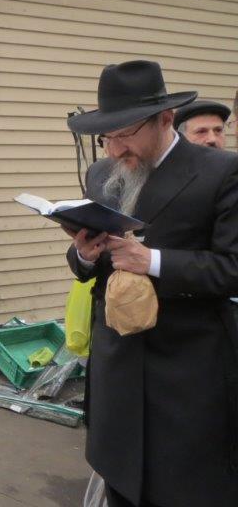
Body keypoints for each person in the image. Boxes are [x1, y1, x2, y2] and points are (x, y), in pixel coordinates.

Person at [65, 60, 238, 506]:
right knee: (120, 481)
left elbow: (232, 268)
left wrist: (153, 260)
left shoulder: (220, 172)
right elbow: (91, 264)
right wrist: (84, 255)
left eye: (127, 134)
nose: (117, 148)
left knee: (181, 489)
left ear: (165, 119)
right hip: (116, 362)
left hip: (186, 371)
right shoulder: (103, 174)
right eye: (108, 136)